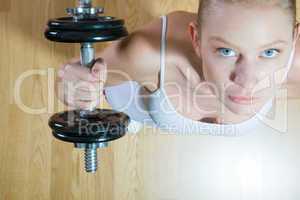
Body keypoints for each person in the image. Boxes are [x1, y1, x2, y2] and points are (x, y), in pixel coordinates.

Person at [55, 0, 300, 135]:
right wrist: (76, 87)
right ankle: (139, 115)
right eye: (226, 51)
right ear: (195, 39)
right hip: (135, 94)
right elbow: (80, 77)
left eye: (269, 52)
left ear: (294, 37)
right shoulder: (146, 55)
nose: (247, 81)